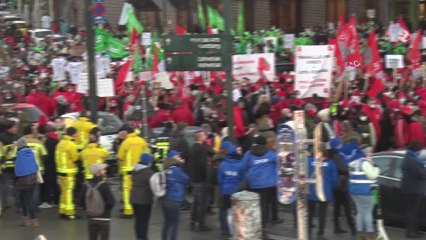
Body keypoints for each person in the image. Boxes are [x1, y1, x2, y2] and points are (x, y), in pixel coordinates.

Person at [243, 135, 278, 239]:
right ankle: (263, 229)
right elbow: (279, 165)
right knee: (264, 206)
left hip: (253, 184)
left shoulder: (249, 154)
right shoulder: (271, 155)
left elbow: (243, 167)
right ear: (265, 143)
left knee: (253, 205)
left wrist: (247, 176)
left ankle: (252, 226)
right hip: (266, 184)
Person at [117, 126, 150, 218]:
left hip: (129, 171)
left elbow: (120, 156)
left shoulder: (126, 142)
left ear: (127, 133)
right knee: (139, 189)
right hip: (140, 169)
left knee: (127, 190)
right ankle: (138, 208)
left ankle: (128, 211)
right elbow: (147, 153)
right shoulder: (142, 141)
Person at [348, 147, 380, 240]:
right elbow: (373, 175)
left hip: (355, 192)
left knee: (360, 212)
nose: (370, 154)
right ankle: (369, 234)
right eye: (369, 152)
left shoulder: (353, 163)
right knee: (367, 212)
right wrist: (376, 167)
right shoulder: (365, 163)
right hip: (366, 192)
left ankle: (360, 234)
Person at [307, 147, 339, 240]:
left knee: (310, 212)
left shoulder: (308, 160)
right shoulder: (330, 163)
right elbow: (335, 179)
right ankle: (321, 231)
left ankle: (308, 230)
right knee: (323, 212)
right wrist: (329, 186)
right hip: (325, 190)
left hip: (311, 189)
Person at [80, 163, 115, 240]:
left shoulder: (85, 185)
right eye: (103, 170)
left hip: (91, 218)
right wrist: (103, 208)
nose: (105, 171)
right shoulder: (104, 185)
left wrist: (90, 209)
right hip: (104, 218)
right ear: (98, 173)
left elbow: (81, 202)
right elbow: (111, 203)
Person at [217, 141, 245, 238]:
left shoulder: (223, 164)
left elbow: (220, 179)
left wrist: (221, 191)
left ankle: (225, 230)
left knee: (224, 210)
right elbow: (242, 178)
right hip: (236, 192)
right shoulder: (241, 164)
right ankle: (235, 230)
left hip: (225, 191)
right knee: (235, 211)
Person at [189, 130, 213, 231]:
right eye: (204, 135)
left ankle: (193, 221)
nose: (205, 136)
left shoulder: (192, 148)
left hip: (193, 178)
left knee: (195, 201)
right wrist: (205, 177)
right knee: (202, 202)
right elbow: (202, 165)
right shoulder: (202, 149)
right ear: (199, 137)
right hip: (201, 179)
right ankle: (201, 223)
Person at [401, 141, 426, 238]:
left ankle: (416, 230)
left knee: (415, 211)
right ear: (416, 150)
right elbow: (421, 174)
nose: (420, 153)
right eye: (419, 151)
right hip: (412, 190)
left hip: (415, 189)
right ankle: (410, 232)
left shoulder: (412, 157)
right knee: (411, 211)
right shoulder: (410, 159)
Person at [162, 151, 189, 240]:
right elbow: (186, 179)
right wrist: (181, 165)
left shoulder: (166, 169)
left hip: (165, 199)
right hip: (174, 199)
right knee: (175, 223)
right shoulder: (176, 170)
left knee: (167, 222)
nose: (180, 157)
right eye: (178, 156)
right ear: (173, 158)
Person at [55, 127, 80, 220]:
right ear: (73, 134)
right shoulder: (71, 144)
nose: (77, 135)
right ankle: (70, 213)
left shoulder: (60, 143)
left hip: (60, 171)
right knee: (69, 192)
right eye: (76, 133)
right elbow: (75, 158)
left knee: (63, 192)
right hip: (69, 171)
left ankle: (62, 211)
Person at [21, 125, 48, 208]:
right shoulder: (37, 142)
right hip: (36, 169)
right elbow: (44, 155)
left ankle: (24, 206)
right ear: (31, 132)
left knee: (24, 188)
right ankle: (34, 206)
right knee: (36, 188)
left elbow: (13, 156)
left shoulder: (20, 142)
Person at [14, 137, 39, 227]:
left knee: (24, 200)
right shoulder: (31, 153)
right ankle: (32, 220)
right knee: (29, 199)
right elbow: (35, 166)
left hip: (23, 181)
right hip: (32, 180)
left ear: (19, 146)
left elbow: (18, 169)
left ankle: (28, 220)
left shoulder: (20, 154)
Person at [131, 153, 155, 240]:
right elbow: (153, 186)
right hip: (144, 200)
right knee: (144, 220)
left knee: (138, 219)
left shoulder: (135, 170)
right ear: (148, 162)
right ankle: (143, 237)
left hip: (134, 198)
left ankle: (139, 237)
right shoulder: (149, 172)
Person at [0, 120, 20, 208]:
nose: (16, 128)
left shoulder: (18, 136)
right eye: (14, 127)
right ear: (9, 128)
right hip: (6, 165)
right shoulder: (1, 137)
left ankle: (16, 202)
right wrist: (10, 148)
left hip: (14, 165)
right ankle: (5, 203)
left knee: (16, 185)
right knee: (4, 185)